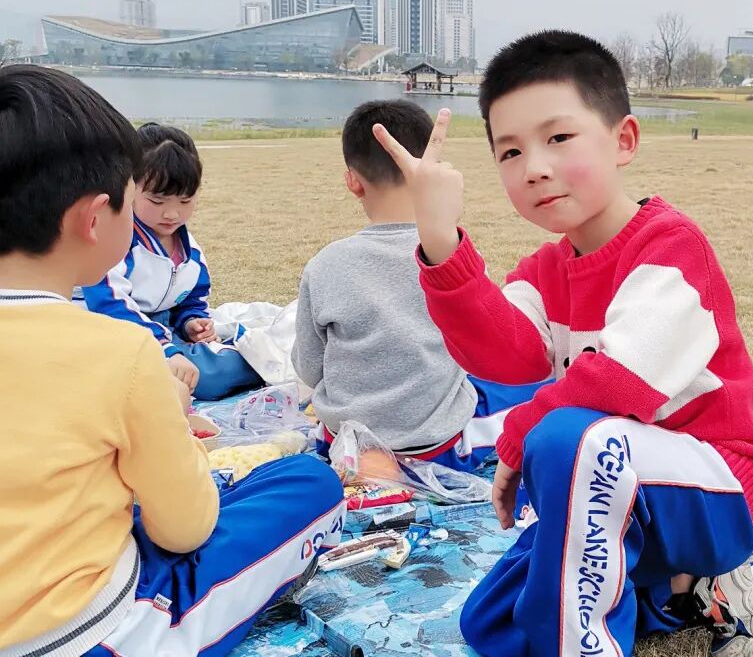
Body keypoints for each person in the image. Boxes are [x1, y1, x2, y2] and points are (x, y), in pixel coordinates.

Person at [373, 30, 753, 656]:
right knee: (490, 621)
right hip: (624, 488)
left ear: (624, 140)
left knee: (565, 437)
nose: (534, 167)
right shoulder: (547, 269)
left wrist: (520, 437)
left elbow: (617, 381)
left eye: (558, 138)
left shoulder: (672, 246)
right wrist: (438, 236)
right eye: (510, 152)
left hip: (721, 492)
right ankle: (673, 590)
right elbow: (502, 354)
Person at [0, 65, 345, 657]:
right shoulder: (120, 352)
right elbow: (185, 529)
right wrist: (173, 421)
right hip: (89, 632)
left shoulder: (182, 259)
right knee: (309, 484)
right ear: (94, 218)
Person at [293, 100, 538, 471]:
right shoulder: (452, 258)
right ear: (432, 173)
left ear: (353, 181)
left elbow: (309, 368)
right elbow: (487, 347)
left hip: (342, 443)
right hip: (435, 446)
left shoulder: (325, 264)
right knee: (536, 386)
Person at [76, 123, 262, 400]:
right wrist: (165, 349)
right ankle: (258, 358)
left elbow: (192, 298)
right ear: (129, 188)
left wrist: (192, 322)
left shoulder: (189, 249)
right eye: (157, 201)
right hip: (110, 330)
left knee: (207, 371)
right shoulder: (113, 238)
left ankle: (256, 353)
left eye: (185, 201)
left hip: (159, 330)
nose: (172, 214)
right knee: (199, 376)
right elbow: (108, 305)